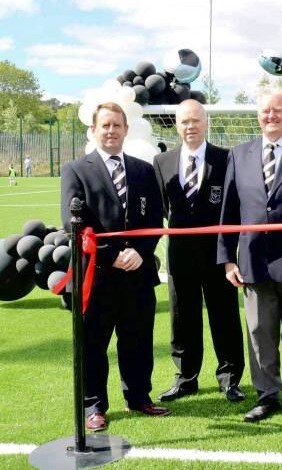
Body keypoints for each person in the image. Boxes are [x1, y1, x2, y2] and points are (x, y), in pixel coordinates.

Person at [218, 85, 282, 423]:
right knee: (260, 332)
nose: (271, 115)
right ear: (258, 115)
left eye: (278, 110)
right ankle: (267, 395)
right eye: (266, 110)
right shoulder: (239, 154)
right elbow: (229, 210)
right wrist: (227, 257)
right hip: (253, 261)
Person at [60, 102, 168, 433]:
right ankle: (93, 406)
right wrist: (111, 256)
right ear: (93, 130)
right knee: (93, 344)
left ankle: (138, 396)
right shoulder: (76, 169)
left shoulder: (143, 170)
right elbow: (73, 223)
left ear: (125, 129)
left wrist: (140, 252)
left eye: (117, 125)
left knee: (137, 340)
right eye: (104, 125)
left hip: (138, 273)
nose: (111, 131)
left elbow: (154, 219)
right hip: (98, 276)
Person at [153, 99, 245, 404]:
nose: (189, 127)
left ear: (206, 123)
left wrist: (229, 255)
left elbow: (233, 208)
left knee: (225, 317)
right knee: (183, 319)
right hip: (180, 257)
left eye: (195, 121)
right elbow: (163, 210)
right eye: (184, 122)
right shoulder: (162, 162)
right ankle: (185, 378)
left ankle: (230, 378)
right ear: (177, 126)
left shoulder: (226, 158)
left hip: (218, 256)